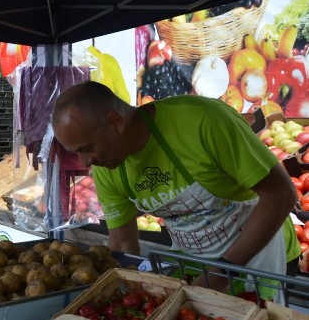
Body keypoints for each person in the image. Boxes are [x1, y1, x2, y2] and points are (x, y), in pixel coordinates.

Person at [51, 81, 300, 298]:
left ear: (114, 122)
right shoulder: (108, 165)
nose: (85, 163)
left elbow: (281, 193)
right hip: (196, 261)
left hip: (262, 254)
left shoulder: (203, 121)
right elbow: (123, 242)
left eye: (87, 148)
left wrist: (222, 272)